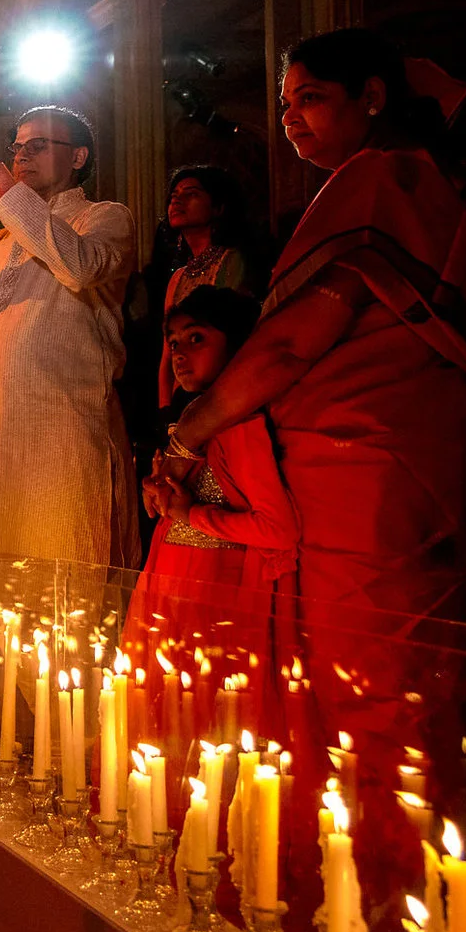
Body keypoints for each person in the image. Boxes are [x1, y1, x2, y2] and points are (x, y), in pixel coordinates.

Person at [160, 28, 466, 908]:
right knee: (348, 693)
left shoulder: (389, 183)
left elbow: (294, 341)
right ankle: (361, 887)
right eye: (284, 103)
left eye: (310, 97)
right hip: (338, 478)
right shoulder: (354, 190)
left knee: (385, 696)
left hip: (383, 478)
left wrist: (191, 434)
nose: (289, 116)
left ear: (373, 96)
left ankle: (401, 902)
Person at [0, 105, 138, 566]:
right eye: (17, 147)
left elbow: (81, 266)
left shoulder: (104, 218)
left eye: (38, 145)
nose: (21, 156)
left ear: (79, 156)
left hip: (66, 427)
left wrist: (9, 200)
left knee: (69, 560)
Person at [127, 286, 294, 673]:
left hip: (214, 605)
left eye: (196, 338)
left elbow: (279, 531)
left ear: (236, 344)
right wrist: (158, 491)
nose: (180, 354)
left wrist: (191, 515)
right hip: (168, 588)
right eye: (173, 342)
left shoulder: (242, 428)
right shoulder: (188, 428)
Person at [139, 165, 258, 410]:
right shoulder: (178, 277)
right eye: (174, 196)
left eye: (191, 194)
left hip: (225, 398)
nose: (177, 201)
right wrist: (167, 414)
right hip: (184, 402)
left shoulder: (232, 261)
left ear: (219, 207)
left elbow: (233, 342)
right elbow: (167, 357)